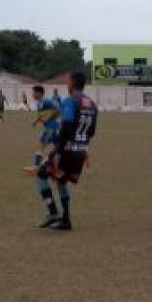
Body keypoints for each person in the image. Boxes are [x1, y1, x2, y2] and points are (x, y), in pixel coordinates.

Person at [35, 72, 98, 231]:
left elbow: (67, 123)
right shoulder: (92, 104)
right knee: (61, 180)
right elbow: (91, 132)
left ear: (72, 84)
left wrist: (59, 151)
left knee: (42, 173)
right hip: (81, 150)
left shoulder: (70, 101)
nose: (67, 85)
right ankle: (66, 220)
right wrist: (83, 149)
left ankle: (53, 213)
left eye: (68, 82)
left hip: (67, 150)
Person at [31, 85, 59, 166]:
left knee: (41, 145)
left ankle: (36, 166)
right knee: (59, 147)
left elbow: (57, 110)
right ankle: (51, 163)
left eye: (34, 93)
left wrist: (51, 117)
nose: (32, 94)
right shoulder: (39, 103)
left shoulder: (46, 101)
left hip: (51, 127)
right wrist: (36, 121)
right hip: (52, 127)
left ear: (39, 93)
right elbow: (42, 115)